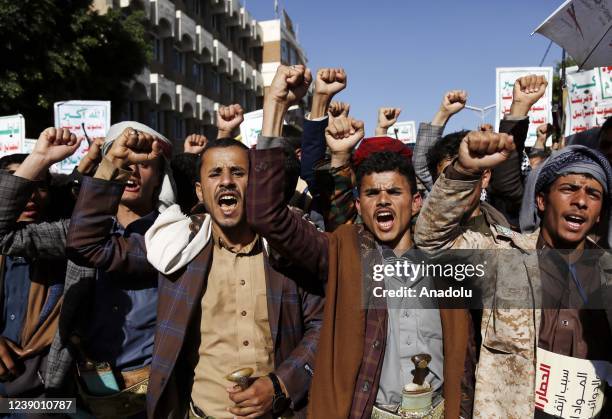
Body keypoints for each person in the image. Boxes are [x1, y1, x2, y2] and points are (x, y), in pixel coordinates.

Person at [248, 64, 474, 419]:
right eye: (372, 193)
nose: (383, 200)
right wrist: (275, 106)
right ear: (358, 205)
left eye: (394, 192)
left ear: (416, 202)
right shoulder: (342, 254)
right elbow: (266, 216)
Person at [414, 130, 612, 417]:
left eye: (593, 194)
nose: (581, 201)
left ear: (599, 212)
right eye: (569, 189)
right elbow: (433, 241)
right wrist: (465, 171)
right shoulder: (504, 258)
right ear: (542, 201)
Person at [58, 123, 174, 418]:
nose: (132, 171)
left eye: (144, 164)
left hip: (156, 395)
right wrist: (42, 159)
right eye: (124, 162)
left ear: (160, 175)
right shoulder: (69, 230)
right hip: (80, 397)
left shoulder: (177, 236)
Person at [0, 149, 68, 403]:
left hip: (46, 398)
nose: (29, 195)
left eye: (39, 186)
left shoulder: (66, 253)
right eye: (17, 183)